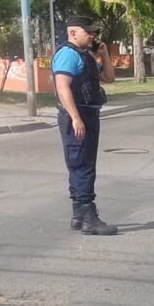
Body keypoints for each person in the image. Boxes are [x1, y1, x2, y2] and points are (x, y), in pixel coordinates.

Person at [52, 16, 117, 236]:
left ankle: (78, 215)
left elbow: (109, 77)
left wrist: (104, 54)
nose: (92, 36)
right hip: (77, 116)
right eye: (88, 32)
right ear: (73, 33)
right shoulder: (67, 55)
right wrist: (76, 117)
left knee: (82, 163)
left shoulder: (85, 56)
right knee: (83, 166)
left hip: (88, 114)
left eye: (93, 33)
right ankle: (89, 217)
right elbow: (63, 87)